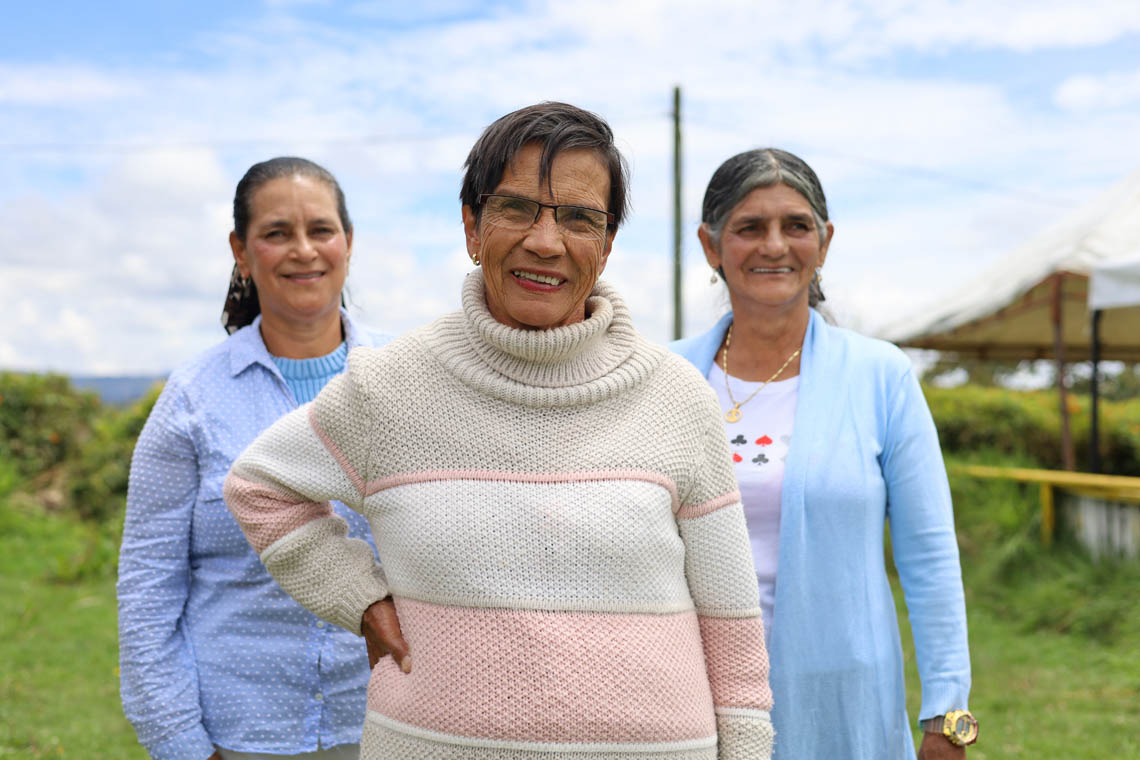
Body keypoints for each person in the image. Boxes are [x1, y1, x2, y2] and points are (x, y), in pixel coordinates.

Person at [223, 102, 775, 759]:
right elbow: (259, 487)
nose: (546, 241)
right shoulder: (389, 386)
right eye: (516, 208)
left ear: (606, 245)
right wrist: (361, 601)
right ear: (471, 227)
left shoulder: (676, 398)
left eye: (578, 218)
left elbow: (733, 630)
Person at [670, 148, 975, 760]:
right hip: (689, 693)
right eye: (750, 227)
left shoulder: (881, 377)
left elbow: (930, 556)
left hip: (841, 699)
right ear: (710, 246)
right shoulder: (665, 377)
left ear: (825, 241)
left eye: (796, 225)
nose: (774, 246)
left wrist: (948, 713)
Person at [117, 157, 391, 760]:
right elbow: (148, 589)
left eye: (320, 230)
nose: (303, 251)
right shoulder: (192, 397)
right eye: (276, 233)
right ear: (241, 251)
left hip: (388, 724)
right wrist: (181, 742)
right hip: (237, 734)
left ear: (348, 242)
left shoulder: (406, 382)